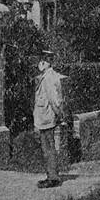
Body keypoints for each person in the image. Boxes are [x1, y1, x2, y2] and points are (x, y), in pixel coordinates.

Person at [33, 50, 66, 188]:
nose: (40, 64)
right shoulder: (48, 76)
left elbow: (54, 100)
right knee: (48, 147)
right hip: (45, 117)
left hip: (46, 117)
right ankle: (51, 175)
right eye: (41, 60)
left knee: (48, 148)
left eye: (43, 61)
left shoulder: (48, 78)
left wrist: (59, 114)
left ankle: (53, 178)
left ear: (48, 63)